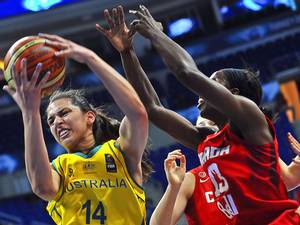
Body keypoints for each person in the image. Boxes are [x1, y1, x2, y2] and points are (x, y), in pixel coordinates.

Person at [96, 5, 300, 225]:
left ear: (233, 95)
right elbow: (152, 108)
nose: (203, 91)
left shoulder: (251, 120)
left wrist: (156, 34)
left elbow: (188, 73)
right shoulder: (207, 140)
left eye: (213, 83)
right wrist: (127, 52)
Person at [3, 31, 150, 225]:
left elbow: (138, 113)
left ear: (90, 117)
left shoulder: (120, 152)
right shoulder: (60, 167)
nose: (57, 122)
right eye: (51, 120)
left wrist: (90, 58)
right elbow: (42, 188)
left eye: (64, 113)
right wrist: (30, 113)